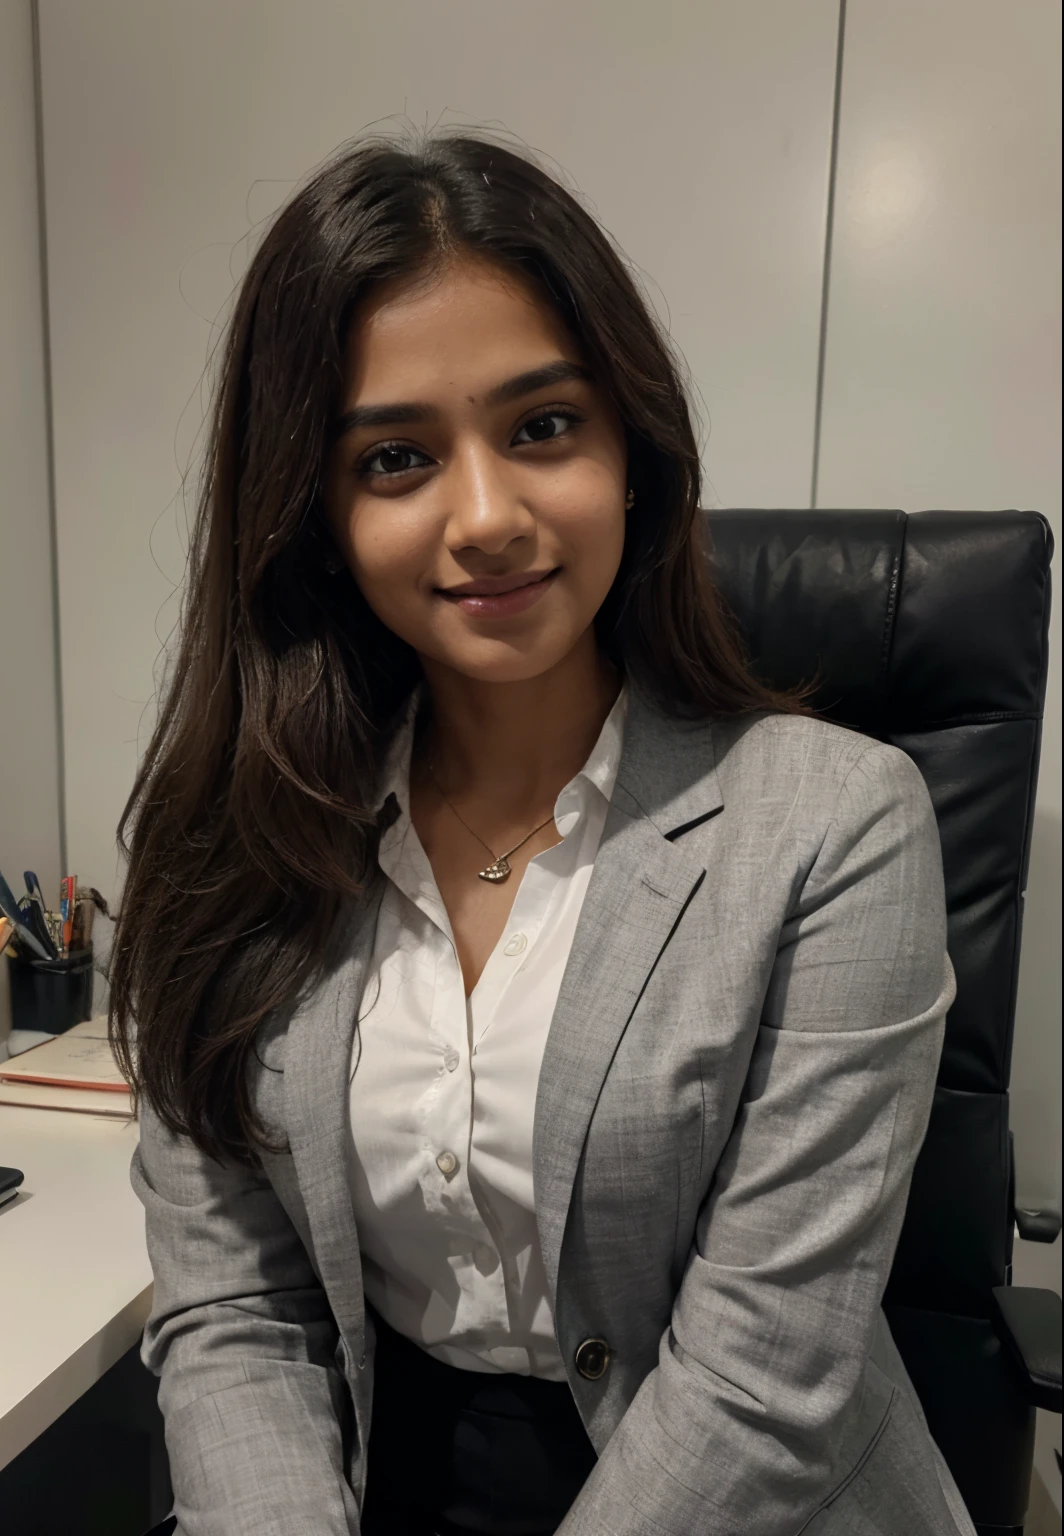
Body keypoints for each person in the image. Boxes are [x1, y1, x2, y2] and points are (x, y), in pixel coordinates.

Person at [113, 129, 975, 1536]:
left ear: (634, 450)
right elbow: (235, 1309)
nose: (486, 517)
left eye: (541, 427)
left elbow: (765, 1379)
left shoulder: (834, 826)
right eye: (396, 458)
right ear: (317, 517)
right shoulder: (233, 849)